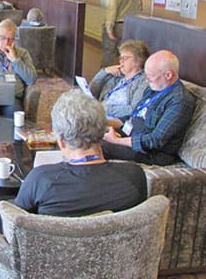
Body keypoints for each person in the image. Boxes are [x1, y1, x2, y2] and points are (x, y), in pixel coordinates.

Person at [13, 89, 146, 216]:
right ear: (102, 133)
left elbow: (15, 222)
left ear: (61, 141)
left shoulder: (40, 179)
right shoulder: (134, 176)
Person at [102, 50, 195, 166]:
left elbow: (155, 140)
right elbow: (134, 116)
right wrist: (103, 122)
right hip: (129, 135)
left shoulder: (180, 101)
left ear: (168, 75)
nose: (146, 80)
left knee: (94, 145)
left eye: (150, 76)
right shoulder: (154, 88)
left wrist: (117, 141)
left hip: (149, 153)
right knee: (85, 132)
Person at [89, 40, 149, 119]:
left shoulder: (143, 81)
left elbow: (132, 109)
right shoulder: (117, 76)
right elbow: (91, 91)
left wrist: (103, 108)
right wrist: (104, 72)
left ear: (138, 61)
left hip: (114, 121)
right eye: (120, 57)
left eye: (125, 58)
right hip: (99, 112)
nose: (121, 61)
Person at [101, 0, 139, 67]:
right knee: (126, 53)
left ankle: (105, 74)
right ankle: (124, 73)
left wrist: (109, 28)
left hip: (117, 25)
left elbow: (112, 9)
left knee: (108, 51)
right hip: (130, 25)